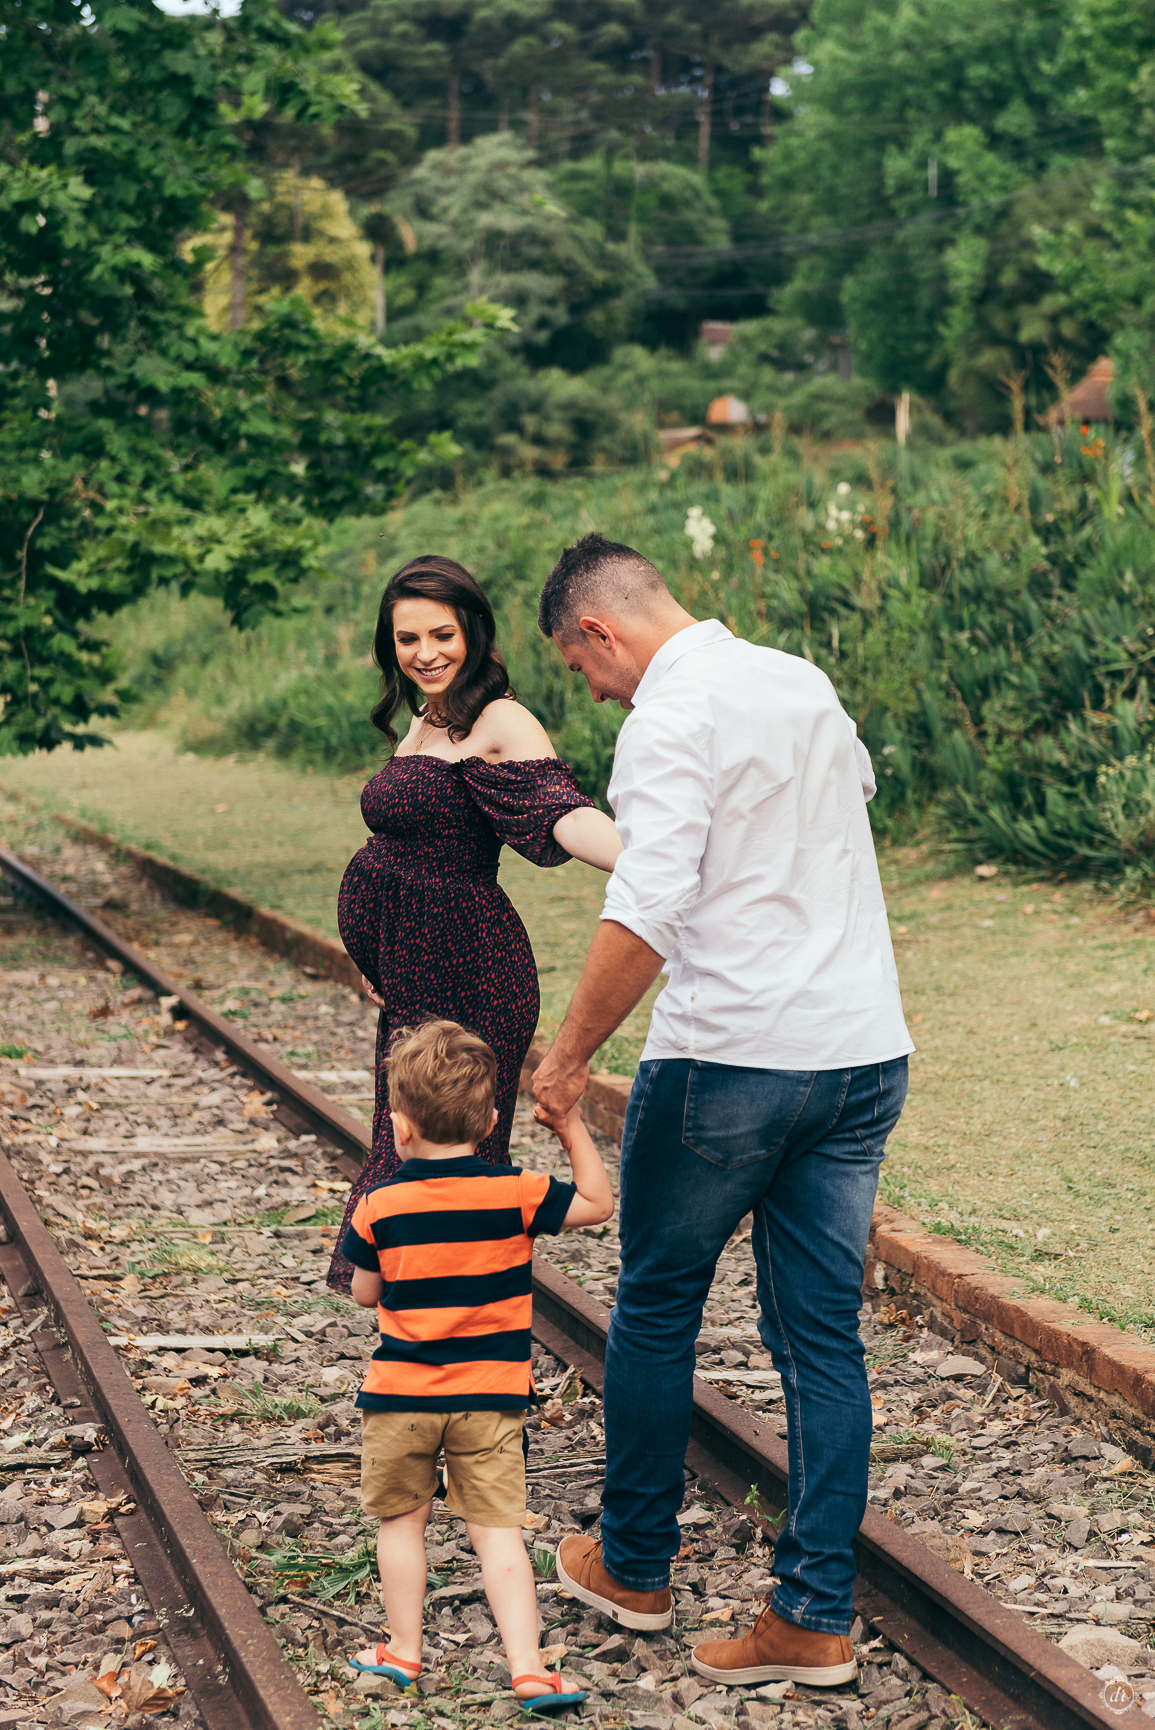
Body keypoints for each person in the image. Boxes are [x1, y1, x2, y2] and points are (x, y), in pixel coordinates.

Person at [531, 533, 912, 1685]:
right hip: (858, 1055)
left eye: (578, 666)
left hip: (732, 1063)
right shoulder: (799, 679)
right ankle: (811, 1616)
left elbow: (645, 911)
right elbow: (855, 790)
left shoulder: (664, 720)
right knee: (819, 1339)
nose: (592, 691)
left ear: (600, 629)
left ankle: (635, 1563)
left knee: (653, 1305)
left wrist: (564, 1061)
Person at [328, 554, 621, 1292]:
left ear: (473, 633)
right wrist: (379, 952)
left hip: (470, 968)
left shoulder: (501, 718)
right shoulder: (429, 717)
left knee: (450, 1165)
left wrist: (650, 860)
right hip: (413, 970)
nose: (424, 653)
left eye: (440, 635)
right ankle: (426, 1326)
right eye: (405, 639)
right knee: (408, 1147)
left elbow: (560, 812)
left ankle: (455, 1332)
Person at [340, 1018, 614, 1712]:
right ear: (490, 1120)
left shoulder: (378, 1205)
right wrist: (569, 1126)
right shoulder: (514, 1193)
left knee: (401, 1525)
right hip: (490, 1399)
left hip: (399, 1398)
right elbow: (596, 1203)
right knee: (497, 1535)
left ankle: (402, 1651)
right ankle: (527, 1667)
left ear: (399, 1127)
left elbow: (363, 1291)